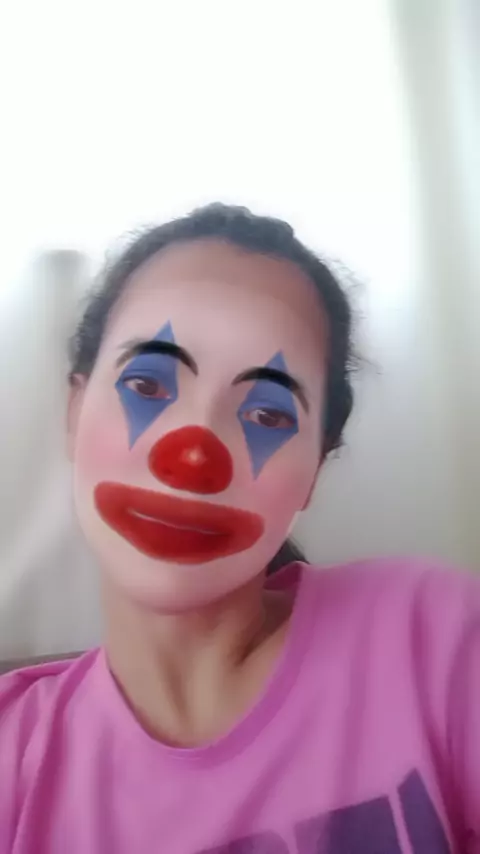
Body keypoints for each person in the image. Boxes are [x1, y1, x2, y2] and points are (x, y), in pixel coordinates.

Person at [0, 204, 478, 853]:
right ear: (74, 411)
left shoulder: (437, 640)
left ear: (313, 470)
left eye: (268, 415)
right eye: (147, 383)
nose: (194, 457)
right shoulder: (15, 751)